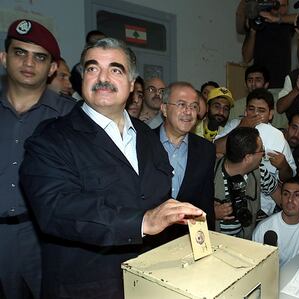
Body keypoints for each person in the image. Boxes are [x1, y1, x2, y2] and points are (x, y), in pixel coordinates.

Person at [19, 37, 205, 299]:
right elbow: (55, 208)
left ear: (131, 84)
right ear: (82, 78)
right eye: (93, 68)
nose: (103, 78)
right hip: (87, 286)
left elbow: (156, 194)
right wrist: (142, 222)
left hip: (150, 279)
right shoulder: (51, 139)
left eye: (115, 69)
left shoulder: (147, 136)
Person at [0, 19, 76, 299]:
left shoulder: (69, 117)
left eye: (39, 56)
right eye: (20, 52)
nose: (29, 62)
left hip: (45, 239)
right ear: (4, 57)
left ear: (52, 68)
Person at [215, 88, 296, 216]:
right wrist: (242, 127)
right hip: (225, 199)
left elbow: (289, 177)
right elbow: (215, 150)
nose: (255, 115)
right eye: (251, 109)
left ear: (270, 114)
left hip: (263, 205)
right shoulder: (234, 124)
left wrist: (283, 165)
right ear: (245, 110)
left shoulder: (277, 136)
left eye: (261, 111)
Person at [155, 81, 216, 241]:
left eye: (194, 106)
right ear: (164, 109)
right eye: (181, 104)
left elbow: (206, 203)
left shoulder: (206, 150)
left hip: (187, 241)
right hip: (148, 242)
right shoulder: (143, 143)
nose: (189, 112)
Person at [214, 127, 279, 240]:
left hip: (244, 243)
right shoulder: (208, 171)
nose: (263, 155)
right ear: (248, 157)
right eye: (261, 151)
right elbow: (186, 205)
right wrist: (210, 213)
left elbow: (282, 198)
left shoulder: (260, 173)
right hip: (212, 244)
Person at [237, 0, 295, 88]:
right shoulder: (259, 21)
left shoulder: (288, 24)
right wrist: (253, 31)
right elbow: (246, 58)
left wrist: (277, 19)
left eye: (283, 6)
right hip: (261, 84)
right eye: (276, 5)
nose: (279, 8)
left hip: (282, 84)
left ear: (288, 7)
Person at [70, 30, 106, 99]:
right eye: (93, 43)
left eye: (103, 44)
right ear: (87, 46)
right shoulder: (78, 70)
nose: (98, 46)